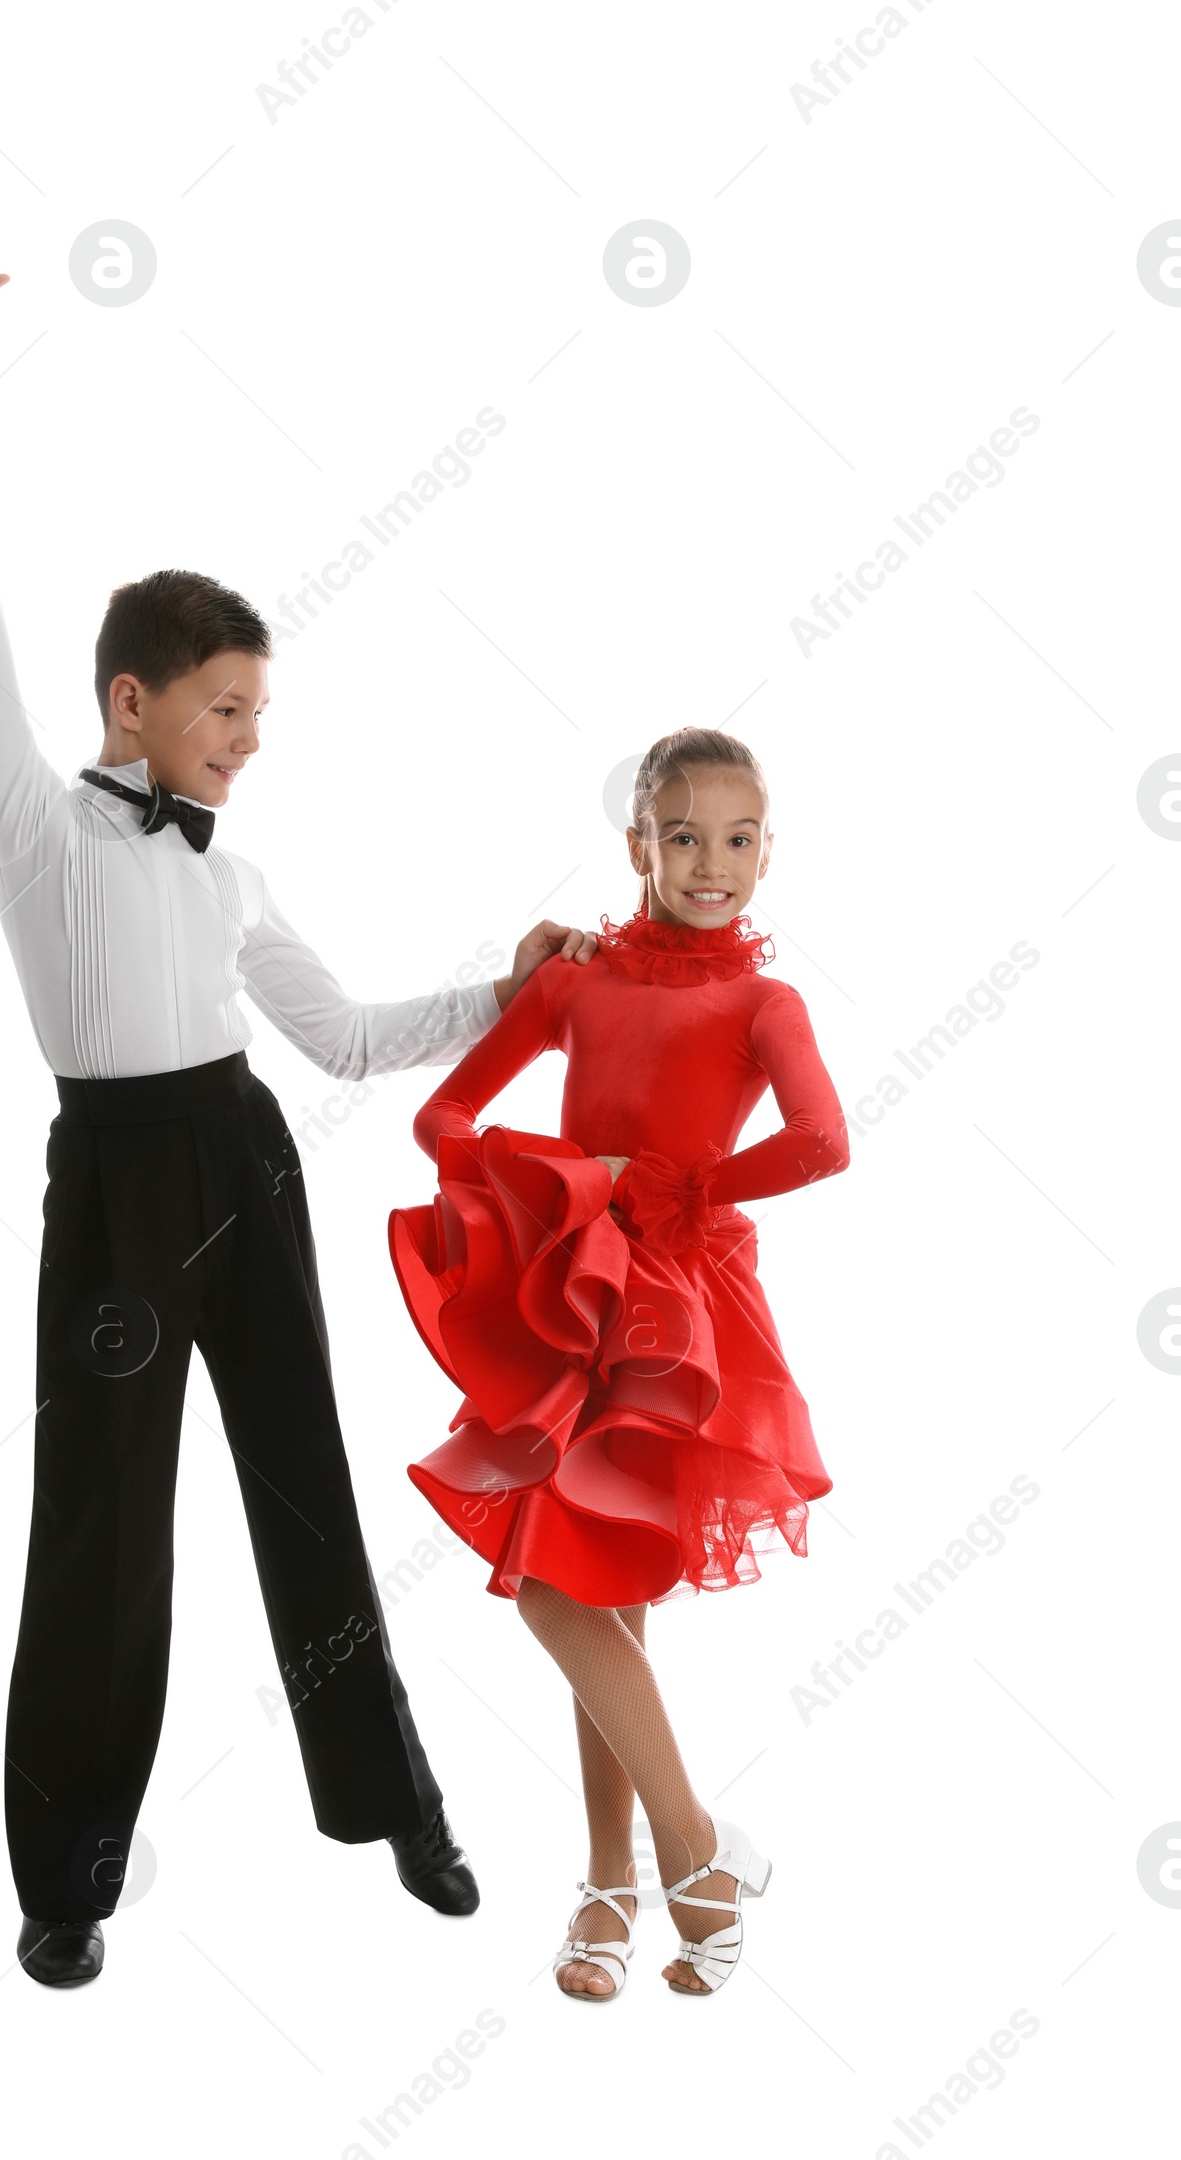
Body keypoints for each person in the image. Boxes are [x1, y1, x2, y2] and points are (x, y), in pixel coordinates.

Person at [0, 205, 600, 1987]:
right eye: (221, 706)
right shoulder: (46, 822)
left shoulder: (237, 880)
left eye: (258, 708)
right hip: (115, 1183)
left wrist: (513, 991)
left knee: (303, 1486)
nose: (247, 735)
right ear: (129, 702)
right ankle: (69, 1875)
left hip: (244, 1162)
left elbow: (345, 1039)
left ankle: (396, 1800)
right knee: (104, 1522)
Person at [389, 728, 850, 1998]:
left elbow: (821, 1140)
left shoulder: (765, 1000)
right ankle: (676, 1861)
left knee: (586, 1587)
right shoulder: (576, 985)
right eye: (684, 835)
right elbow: (441, 1117)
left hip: (678, 1315)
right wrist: (555, 1183)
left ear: (769, 848)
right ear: (636, 843)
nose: (713, 863)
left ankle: (641, 1879)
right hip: (567, 1292)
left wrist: (688, 1185)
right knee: (573, 1583)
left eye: (739, 838)